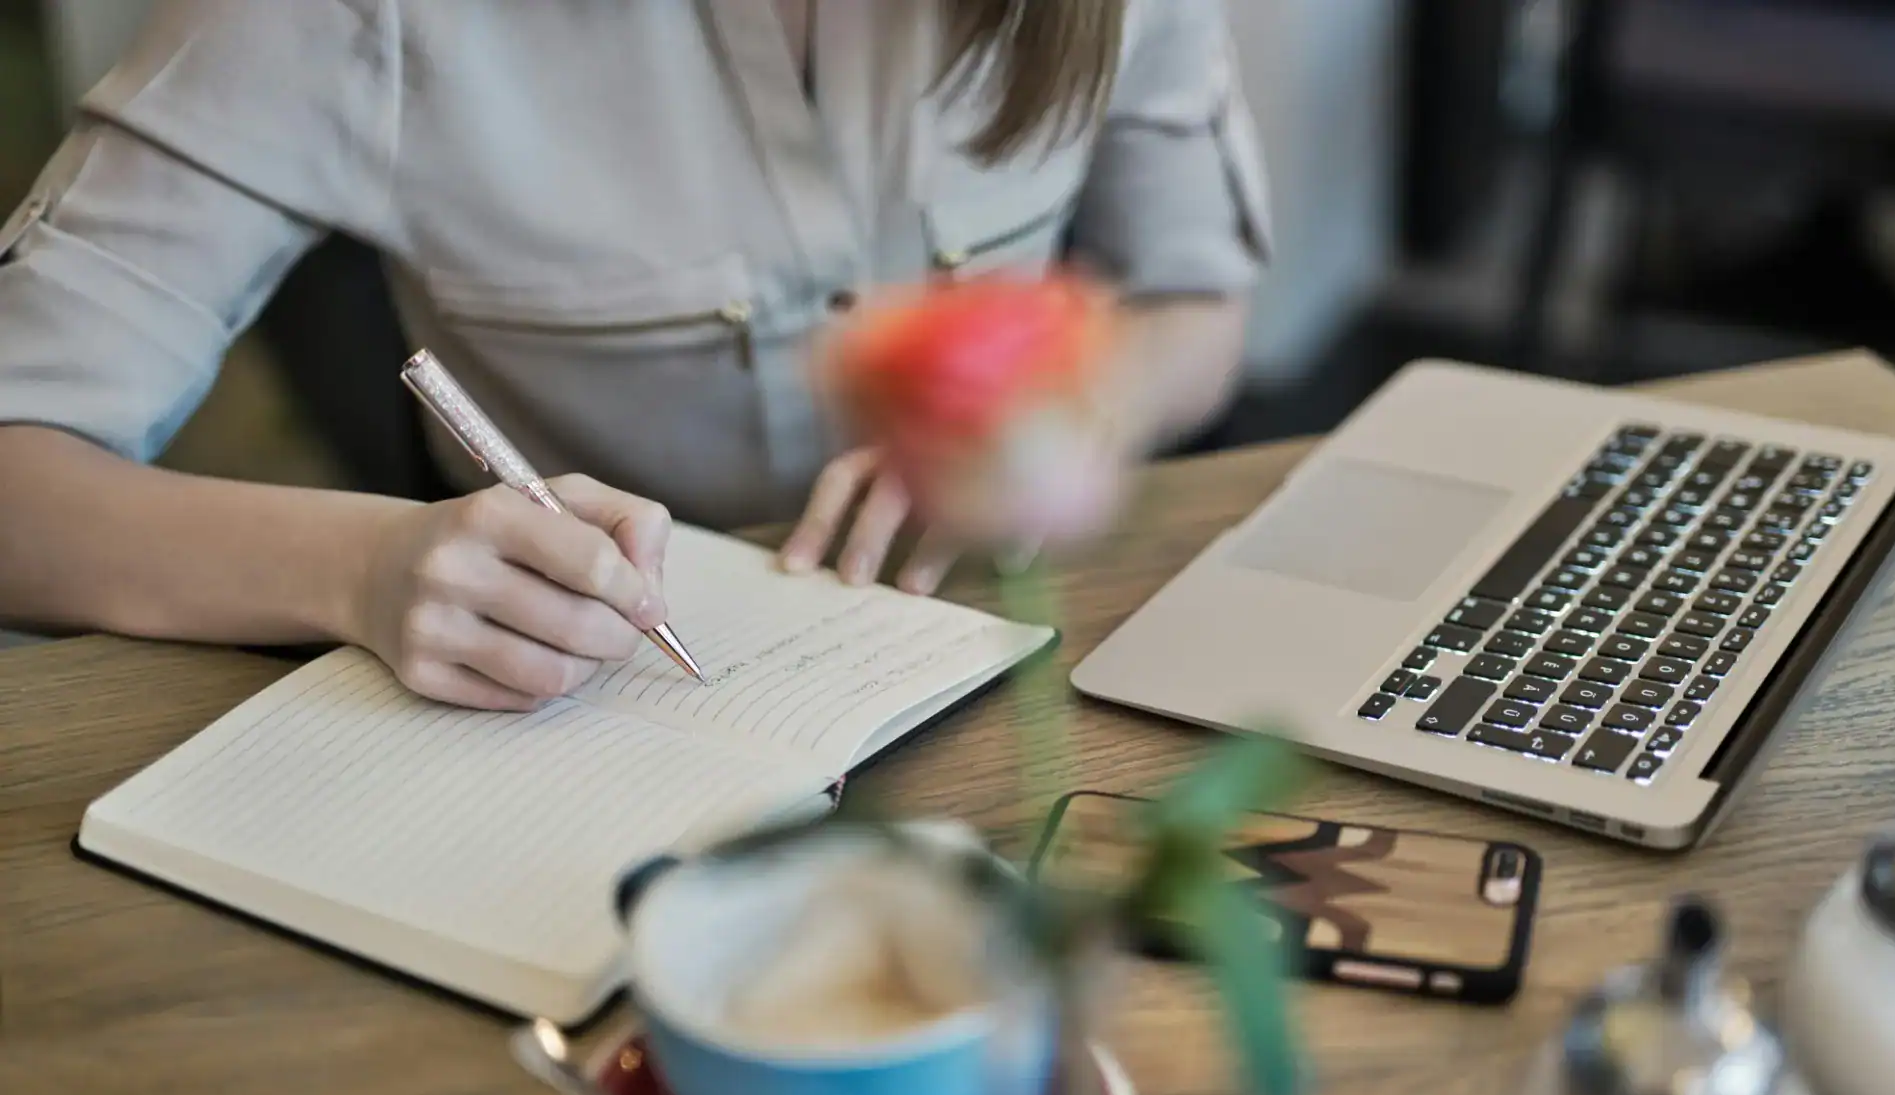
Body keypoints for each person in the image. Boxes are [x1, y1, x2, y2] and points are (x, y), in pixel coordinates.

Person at [0, 0, 1270, 711]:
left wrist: (1085, 407)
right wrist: (365, 564)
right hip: (587, 709)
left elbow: (1197, 304)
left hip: (1025, 668)